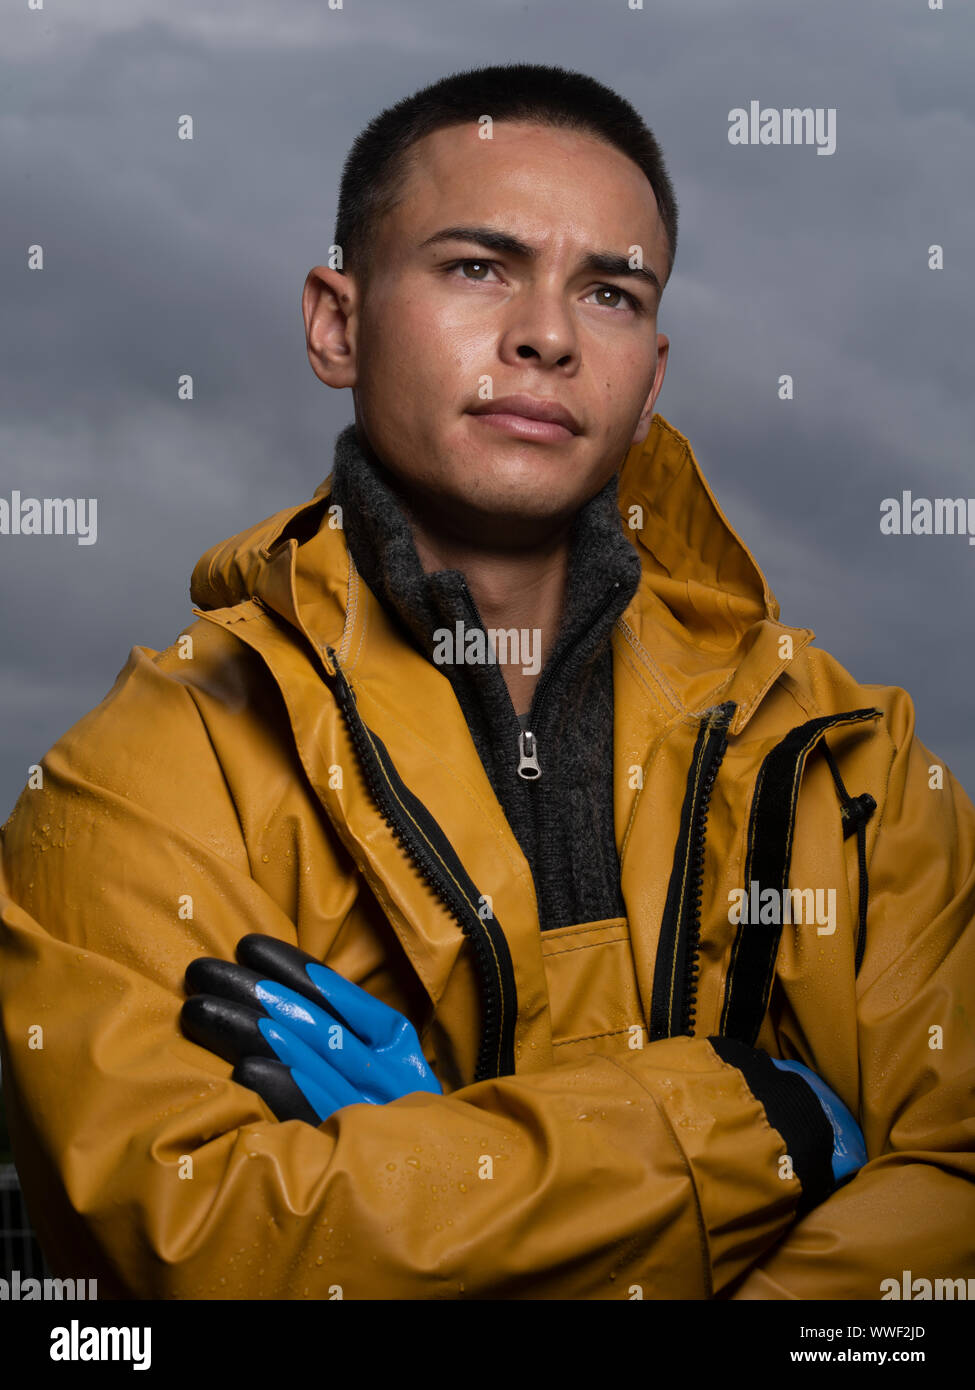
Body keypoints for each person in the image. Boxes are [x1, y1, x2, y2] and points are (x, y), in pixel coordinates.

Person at [0, 62, 972, 1302]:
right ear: (336, 323)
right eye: (477, 266)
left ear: (651, 375)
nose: (550, 335)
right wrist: (762, 1125)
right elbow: (202, 1248)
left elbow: (957, 1194)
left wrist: (450, 1178)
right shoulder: (136, 777)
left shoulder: (849, 756)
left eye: (610, 292)